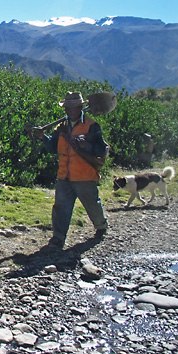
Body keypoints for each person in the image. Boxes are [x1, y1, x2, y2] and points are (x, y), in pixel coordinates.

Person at [33, 91, 109, 248]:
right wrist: (43, 138)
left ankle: (101, 226)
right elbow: (53, 147)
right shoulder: (61, 127)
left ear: (81, 107)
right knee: (61, 207)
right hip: (64, 176)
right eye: (68, 107)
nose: (70, 110)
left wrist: (86, 146)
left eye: (73, 107)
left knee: (92, 204)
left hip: (85, 176)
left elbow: (101, 150)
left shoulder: (92, 126)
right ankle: (58, 237)